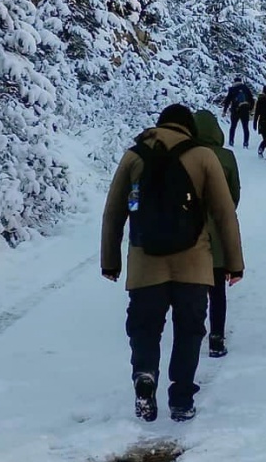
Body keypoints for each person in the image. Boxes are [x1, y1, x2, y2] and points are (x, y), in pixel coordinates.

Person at [101, 104, 244, 422]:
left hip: (145, 261)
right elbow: (224, 213)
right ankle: (180, 398)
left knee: (144, 327)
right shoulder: (204, 156)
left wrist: (110, 262)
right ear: (187, 127)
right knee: (190, 330)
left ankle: (145, 373)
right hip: (193, 262)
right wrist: (234, 264)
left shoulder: (133, 156)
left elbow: (113, 213)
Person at [193, 109, 240, 358]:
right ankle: (217, 337)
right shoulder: (227, 157)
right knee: (217, 291)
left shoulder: (186, 156)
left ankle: (193, 332)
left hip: (190, 232)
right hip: (219, 233)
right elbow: (234, 196)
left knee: (193, 288)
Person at [221, 78, 255, 148]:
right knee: (245, 127)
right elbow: (251, 99)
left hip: (235, 110)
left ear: (234, 82)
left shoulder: (232, 89)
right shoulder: (246, 88)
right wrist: (250, 109)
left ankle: (231, 141)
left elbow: (227, 100)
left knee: (233, 126)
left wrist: (224, 111)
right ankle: (245, 143)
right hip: (245, 110)